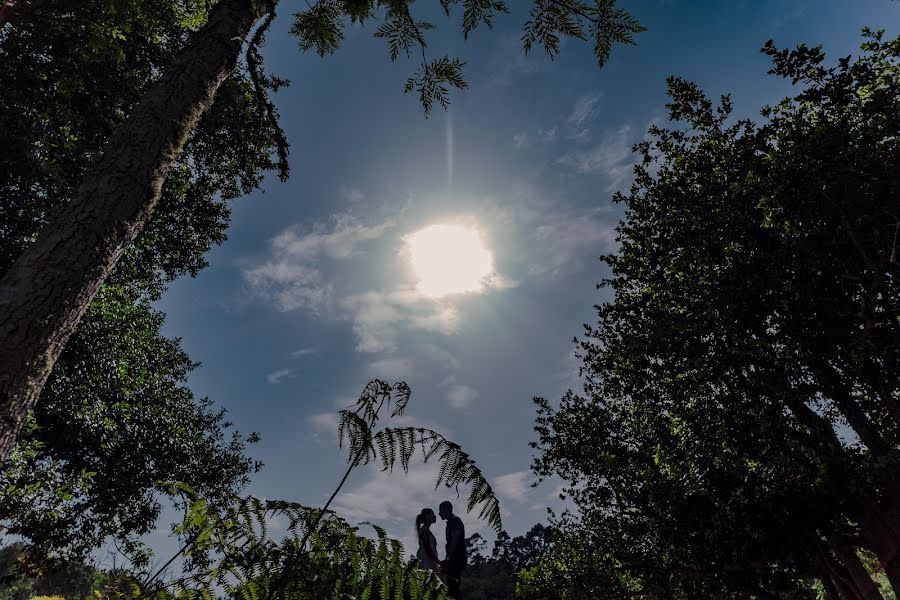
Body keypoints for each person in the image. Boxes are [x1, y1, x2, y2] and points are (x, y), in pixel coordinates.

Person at [438, 500, 466, 599]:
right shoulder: (451, 522)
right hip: (455, 558)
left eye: (441, 510)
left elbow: (455, 538)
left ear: (447, 509)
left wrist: (449, 557)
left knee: (453, 588)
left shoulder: (454, 521)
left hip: (456, 558)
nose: (439, 513)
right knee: (452, 587)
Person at [415, 507, 444, 581]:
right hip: (426, 561)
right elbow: (428, 549)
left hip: (428, 560)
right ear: (427, 516)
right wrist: (439, 562)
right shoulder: (424, 530)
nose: (435, 516)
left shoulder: (425, 530)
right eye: (433, 514)